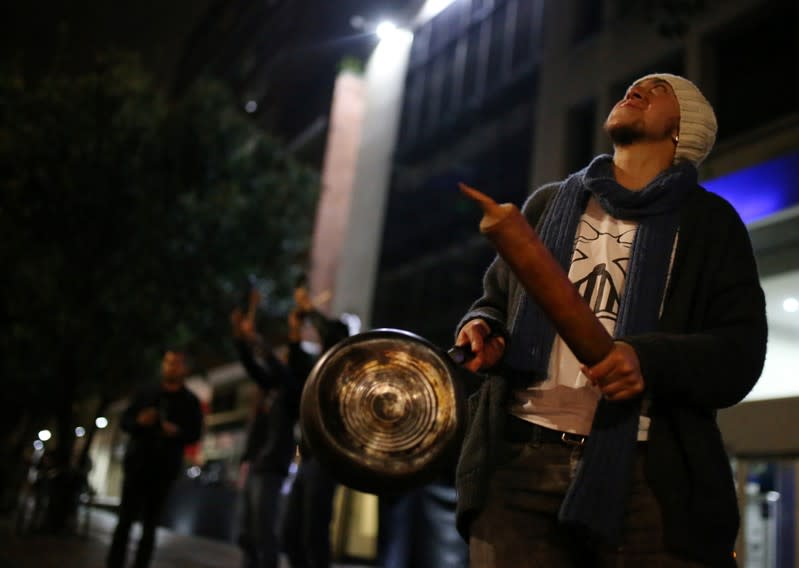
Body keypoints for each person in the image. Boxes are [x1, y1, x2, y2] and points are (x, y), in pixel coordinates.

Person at [453, 73, 768, 567]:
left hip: (647, 478)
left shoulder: (711, 225)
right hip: (518, 465)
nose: (638, 86)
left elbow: (740, 354)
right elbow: (494, 299)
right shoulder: (548, 204)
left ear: (683, 131)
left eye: (660, 89)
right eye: (637, 84)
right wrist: (485, 329)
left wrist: (648, 360)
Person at [107, 350, 204, 568]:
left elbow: (195, 434)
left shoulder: (190, 401)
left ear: (185, 368)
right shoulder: (146, 393)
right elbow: (125, 422)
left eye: (177, 364)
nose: (172, 367)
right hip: (137, 465)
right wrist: (141, 421)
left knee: (150, 525)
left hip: (163, 470)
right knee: (124, 521)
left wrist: (175, 432)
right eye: (169, 363)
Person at [278, 279, 350, 568]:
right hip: (307, 457)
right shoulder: (316, 366)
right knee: (291, 533)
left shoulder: (342, 365)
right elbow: (295, 364)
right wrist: (295, 330)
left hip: (327, 458)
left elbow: (333, 332)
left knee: (314, 532)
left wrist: (309, 308)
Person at [231, 296, 298, 568]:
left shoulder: (291, 389)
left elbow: (274, 364)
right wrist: (240, 338)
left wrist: (256, 338)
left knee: (263, 531)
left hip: (271, 466)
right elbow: (251, 365)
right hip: (256, 463)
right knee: (247, 532)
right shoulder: (268, 387)